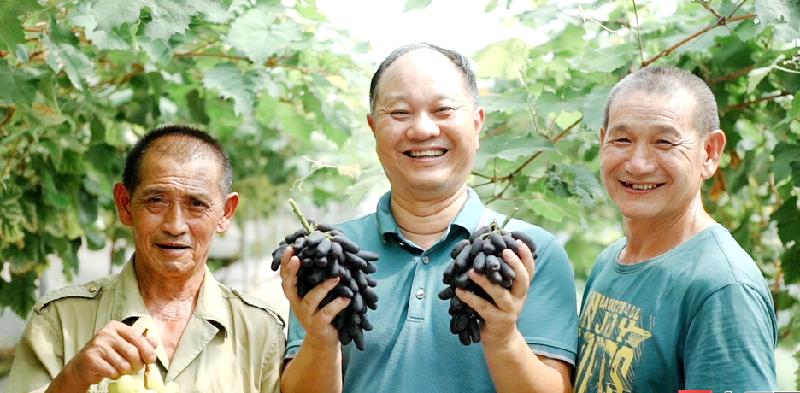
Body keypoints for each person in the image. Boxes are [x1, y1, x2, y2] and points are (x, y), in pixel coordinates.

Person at [278, 43, 577, 393]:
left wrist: (504, 337)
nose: (422, 130)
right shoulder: (331, 256)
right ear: (373, 127)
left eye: (443, 110)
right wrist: (319, 341)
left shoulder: (528, 254)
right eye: (401, 113)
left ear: (477, 124)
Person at [6, 126, 285, 392]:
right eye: (156, 200)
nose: (175, 225)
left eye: (196, 204)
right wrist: (74, 379)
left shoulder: (260, 332)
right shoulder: (60, 320)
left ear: (225, 213)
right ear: (125, 205)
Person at [575, 66, 777, 392]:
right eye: (622, 139)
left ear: (709, 153)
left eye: (664, 142)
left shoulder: (722, 289)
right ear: (603, 142)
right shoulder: (610, 261)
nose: (638, 164)